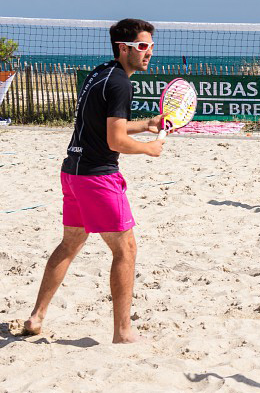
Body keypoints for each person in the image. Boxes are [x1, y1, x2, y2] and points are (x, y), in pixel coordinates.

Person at [23, 18, 164, 344]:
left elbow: (106, 128)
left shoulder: (100, 74)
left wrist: (145, 124)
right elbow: (115, 141)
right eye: (143, 47)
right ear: (123, 47)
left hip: (72, 171)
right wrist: (148, 149)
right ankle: (123, 333)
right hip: (96, 178)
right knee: (126, 250)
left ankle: (36, 316)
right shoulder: (120, 84)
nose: (149, 53)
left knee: (71, 243)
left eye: (151, 47)